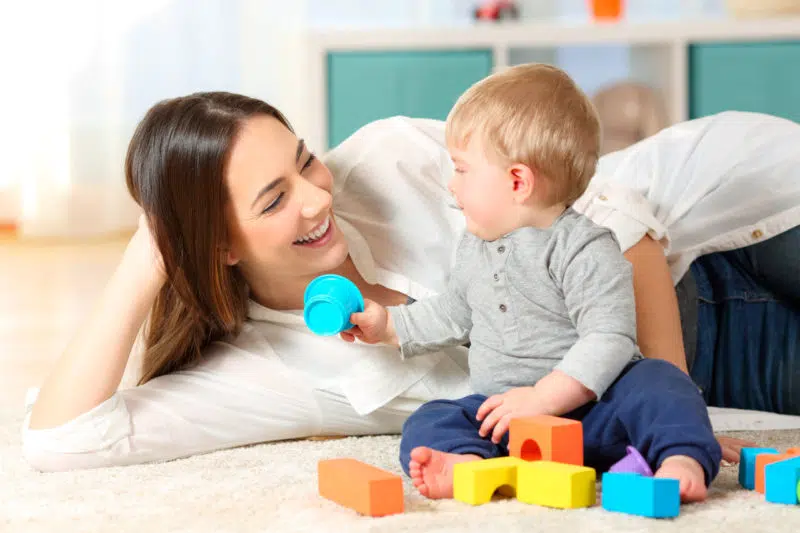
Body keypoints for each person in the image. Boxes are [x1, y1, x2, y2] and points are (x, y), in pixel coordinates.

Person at [22, 90, 798, 473]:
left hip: (719, 232)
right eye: (275, 198)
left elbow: (621, 225)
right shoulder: (267, 368)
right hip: (730, 352)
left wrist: (676, 408)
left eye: (303, 160)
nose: (317, 197)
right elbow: (61, 441)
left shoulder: (390, 157)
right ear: (219, 245)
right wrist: (145, 258)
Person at [344, 64, 720, 502]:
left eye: (463, 170)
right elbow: (453, 312)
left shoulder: (585, 247)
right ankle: (470, 464)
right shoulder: (474, 247)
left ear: (518, 182)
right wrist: (388, 326)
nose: (451, 184)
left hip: (596, 412)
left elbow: (610, 338)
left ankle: (681, 458)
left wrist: (545, 397)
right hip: (507, 417)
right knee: (432, 419)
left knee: (658, 382)